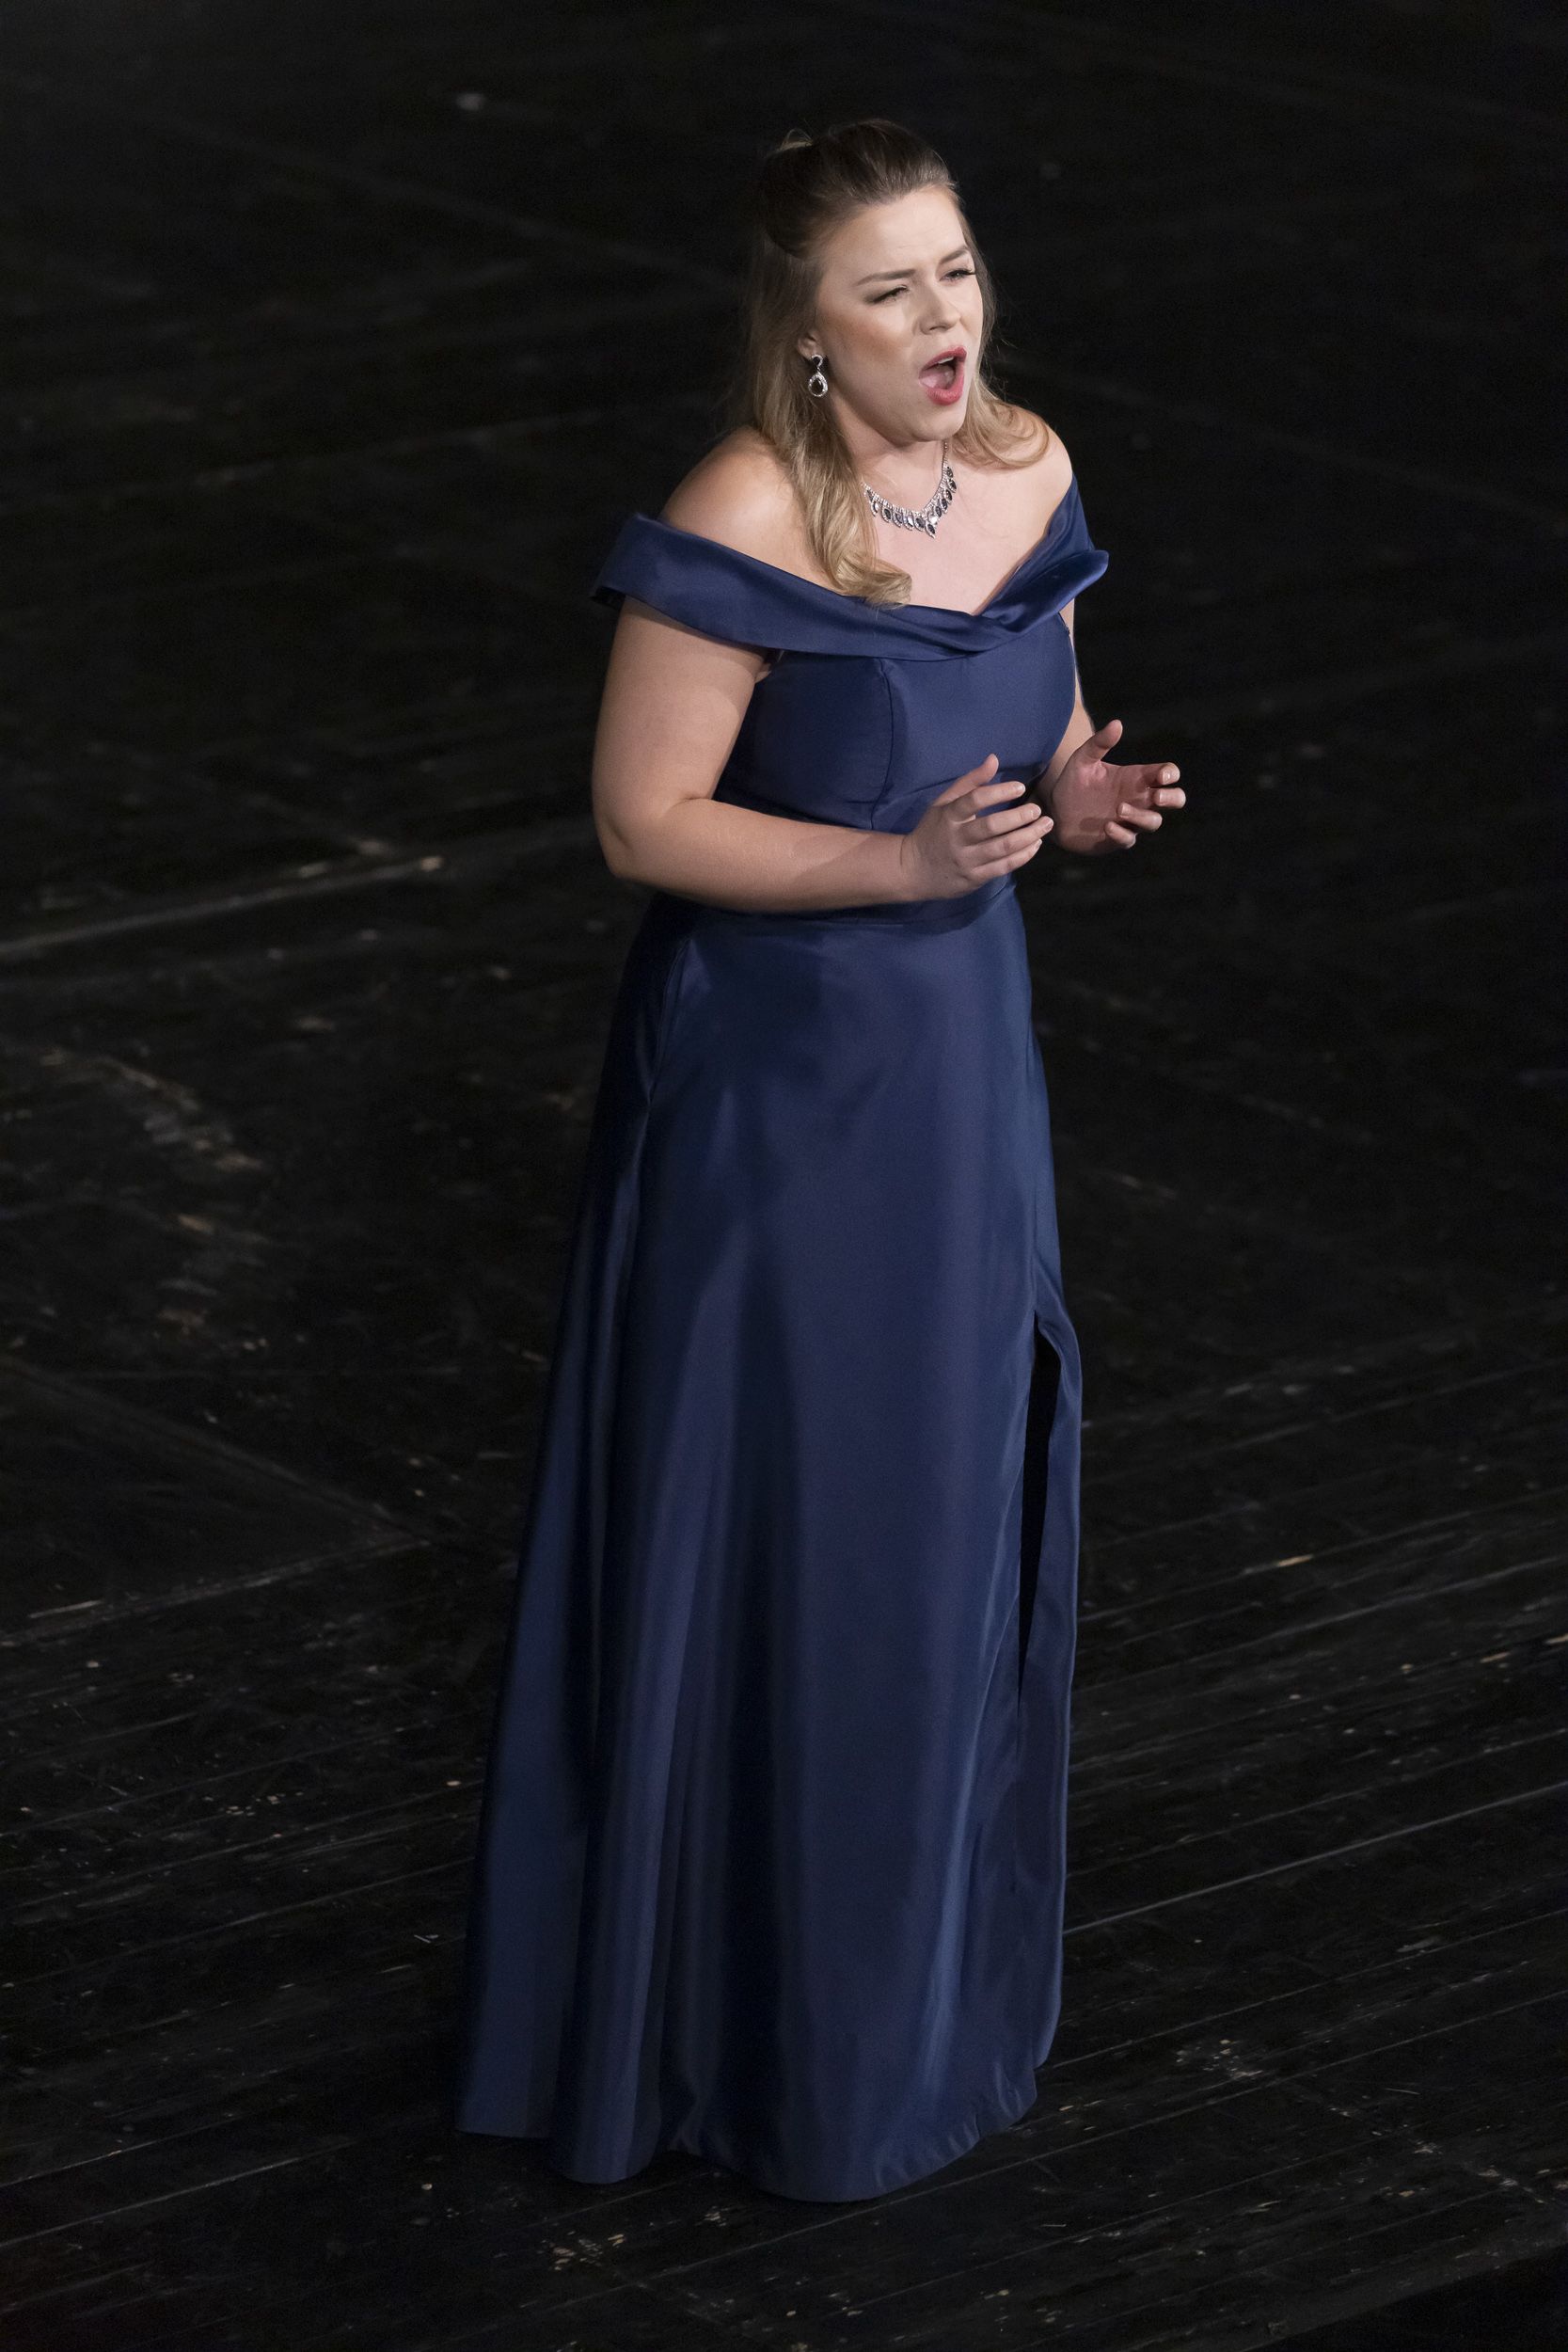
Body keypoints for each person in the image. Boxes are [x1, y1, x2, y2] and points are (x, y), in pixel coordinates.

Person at [453, 117, 1186, 2204]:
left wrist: (1077, 787)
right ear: (803, 329)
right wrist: (900, 864)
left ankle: (889, 2021)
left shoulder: (1024, 463)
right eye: (889, 290)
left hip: (957, 1079)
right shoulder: (744, 510)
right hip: (775, 1092)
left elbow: (1029, 713)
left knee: (933, 1516)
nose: (944, 320)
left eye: (955, 270)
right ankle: (726, 2043)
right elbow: (645, 821)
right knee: (788, 1516)